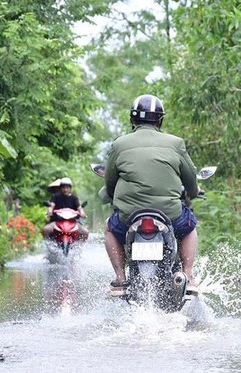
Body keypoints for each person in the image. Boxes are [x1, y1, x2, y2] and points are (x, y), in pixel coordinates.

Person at [103, 94, 200, 296]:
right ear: (160, 119)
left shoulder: (119, 144)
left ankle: (120, 279)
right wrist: (193, 193)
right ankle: (189, 275)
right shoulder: (176, 143)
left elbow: (110, 182)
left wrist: (114, 199)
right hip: (169, 213)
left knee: (109, 229)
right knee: (189, 227)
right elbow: (191, 180)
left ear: (132, 119)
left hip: (129, 215)